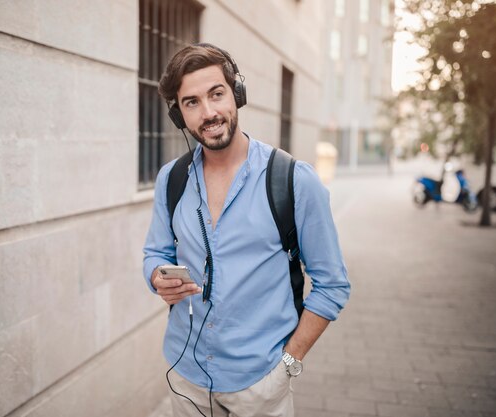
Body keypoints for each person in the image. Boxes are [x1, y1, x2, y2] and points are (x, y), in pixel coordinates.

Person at [143, 43, 350, 417]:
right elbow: (156, 253)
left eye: (216, 94)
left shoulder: (294, 180)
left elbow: (333, 284)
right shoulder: (171, 179)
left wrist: (288, 365)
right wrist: (157, 276)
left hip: (260, 385)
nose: (209, 113)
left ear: (237, 94)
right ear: (179, 115)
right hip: (185, 376)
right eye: (191, 102)